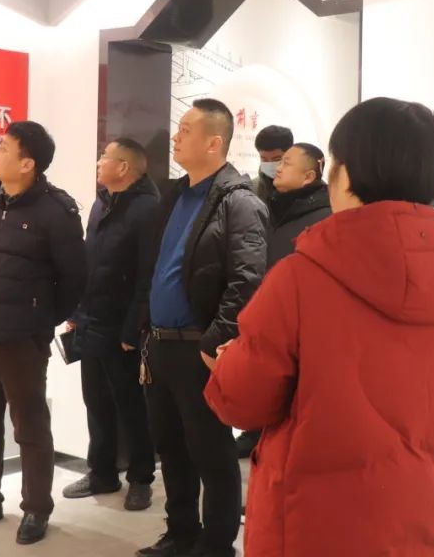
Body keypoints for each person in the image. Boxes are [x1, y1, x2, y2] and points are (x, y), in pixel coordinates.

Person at [203, 97, 434, 556]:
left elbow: (242, 400)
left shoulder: (300, 279)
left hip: (312, 529)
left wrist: (229, 362)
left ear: (347, 174)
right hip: (423, 526)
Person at [137, 98, 268, 557]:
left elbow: (247, 282)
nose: (175, 136)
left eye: (186, 130)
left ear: (214, 143)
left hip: (201, 349)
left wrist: (213, 341)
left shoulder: (240, 202)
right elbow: (157, 267)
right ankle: (181, 532)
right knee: (171, 448)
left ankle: (216, 544)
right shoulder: (174, 195)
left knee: (211, 452)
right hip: (160, 345)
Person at [0, 121, 86, 546]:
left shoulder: (57, 211)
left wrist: (40, 320)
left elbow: (74, 278)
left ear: (28, 164)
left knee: (30, 427)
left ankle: (36, 508)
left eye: (4, 147)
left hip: (23, 339)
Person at [62, 138, 158, 510]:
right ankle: (101, 472)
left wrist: (133, 329)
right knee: (96, 401)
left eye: (105, 157)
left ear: (124, 167)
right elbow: (90, 263)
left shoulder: (147, 209)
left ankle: (141, 478)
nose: (99, 162)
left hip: (122, 329)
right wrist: (76, 312)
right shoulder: (102, 202)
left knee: (131, 406)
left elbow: (147, 276)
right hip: (92, 321)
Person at [234, 141, 332, 459]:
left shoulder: (324, 217)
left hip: (303, 329)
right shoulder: (272, 207)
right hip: (268, 319)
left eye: (285, 162)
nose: (277, 168)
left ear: (308, 176)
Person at [251, 125, 293, 204]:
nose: (270, 164)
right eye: (264, 159)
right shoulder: (252, 189)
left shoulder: (304, 186)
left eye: (276, 159)